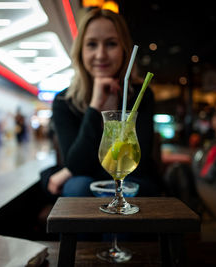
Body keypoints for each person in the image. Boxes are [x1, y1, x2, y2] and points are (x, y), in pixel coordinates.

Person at [43, 8, 159, 198]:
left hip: (135, 179)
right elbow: (76, 164)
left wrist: (68, 172)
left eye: (111, 44)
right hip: (83, 184)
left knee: (128, 190)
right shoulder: (64, 102)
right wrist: (95, 106)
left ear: (124, 50)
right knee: (79, 187)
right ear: (80, 51)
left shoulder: (141, 95)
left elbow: (137, 163)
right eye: (91, 44)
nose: (101, 54)